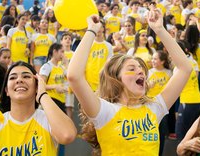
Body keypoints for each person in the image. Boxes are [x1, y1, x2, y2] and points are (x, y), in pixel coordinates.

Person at [67, 6, 192, 155]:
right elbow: (74, 75)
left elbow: (185, 69)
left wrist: (159, 29)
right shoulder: (104, 111)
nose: (140, 71)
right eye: (132, 69)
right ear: (115, 78)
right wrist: (92, 31)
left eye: (141, 68)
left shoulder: (154, 108)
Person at [0, 61, 77, 155]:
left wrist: (42, 94)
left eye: (26, 76)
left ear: (37, 86)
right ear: (6, 90)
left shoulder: (48, 120)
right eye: (13, 77)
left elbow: (67, 135)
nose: (19, 80)